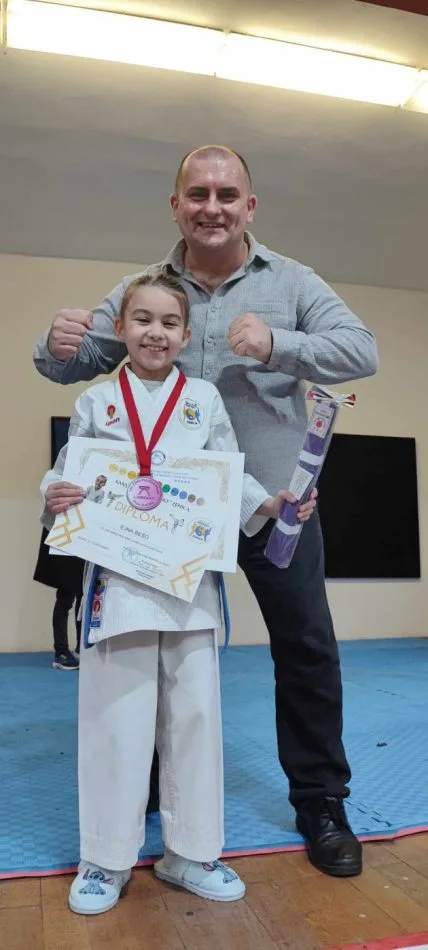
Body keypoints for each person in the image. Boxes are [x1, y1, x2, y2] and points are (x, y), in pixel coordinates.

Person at [34, 144, 379, 878]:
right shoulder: (147, 288)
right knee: (159, 652)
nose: (212, 207)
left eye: (227, 194)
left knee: (306, 647)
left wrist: (279, 344)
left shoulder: (293, 281)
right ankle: (153, 789)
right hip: (161, 521)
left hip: (273, 505)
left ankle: (321, 800)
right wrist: (55, 343)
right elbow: (76, 362)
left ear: (249, 206)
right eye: (198, 194)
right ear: (176, 206)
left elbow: (361, 351)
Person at [40, 272, 317, 914]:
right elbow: (65, 474)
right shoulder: (95, 402)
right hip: (118, 582)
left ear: (186, 335)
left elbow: (228, 473)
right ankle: (105, 859)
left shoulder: (203, 399)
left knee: (194, 716)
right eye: (142, 320)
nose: (155, 333)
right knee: (115, 716)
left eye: (169, 323)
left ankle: (191, 853)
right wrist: (54, 494)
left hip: (189, 579)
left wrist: (268, 504)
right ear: (120, 329)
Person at [33, 527, 83, 669]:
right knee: (66, 596)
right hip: (66, 537)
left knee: (82, 596)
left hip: (83, 538)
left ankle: (80, 650)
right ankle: (62, 653)